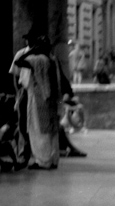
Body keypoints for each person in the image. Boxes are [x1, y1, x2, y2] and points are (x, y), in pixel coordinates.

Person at [15, 33, 72, 170]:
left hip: (38, 99)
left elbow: (19, 62)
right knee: (51, 130)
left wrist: (32, 51)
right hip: (51, 99)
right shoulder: (52, 59)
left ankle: (42, 161)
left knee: (38, 130)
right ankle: (52, 160)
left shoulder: (38, 59)